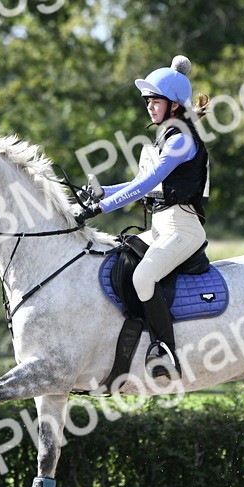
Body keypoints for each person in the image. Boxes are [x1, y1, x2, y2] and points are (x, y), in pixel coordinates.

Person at [76, 55, 210, 380]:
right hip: (161, 227)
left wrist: (101, 209)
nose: (150, 106)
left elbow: (145, 186)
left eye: (156, 100)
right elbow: (140, 186)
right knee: (117, 260)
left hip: (183, 229)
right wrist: (101, 192)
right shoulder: (164, 139)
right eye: (148, 100)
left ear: (174, 105)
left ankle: (164, 352)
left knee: (142, 278)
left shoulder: (181, 141)